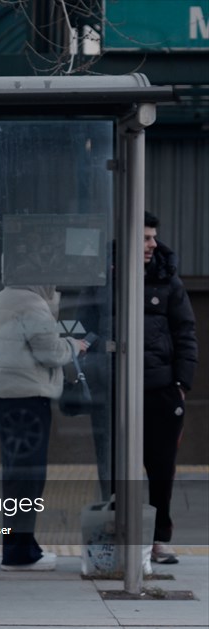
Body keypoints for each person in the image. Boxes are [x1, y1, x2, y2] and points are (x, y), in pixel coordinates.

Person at [0, 282, 88, 571]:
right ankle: (19, 552)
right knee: (27, 478)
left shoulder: (3, 296)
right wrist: (74, 346)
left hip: (3, 395)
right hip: (25, 399)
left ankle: (20, 543)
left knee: (16, 476)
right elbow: (52, 353)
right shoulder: (31, 303)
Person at [142, 211, 198, 564]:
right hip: (120, 391)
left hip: (161, 388)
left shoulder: (168, 278)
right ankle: (125, 536)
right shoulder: (106, 276)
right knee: (116, 469)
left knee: (161, 468)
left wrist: (181, 384)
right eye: (145, 238)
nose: (152, 244)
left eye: (153, 237)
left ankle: (160, 538)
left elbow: (186, 333)